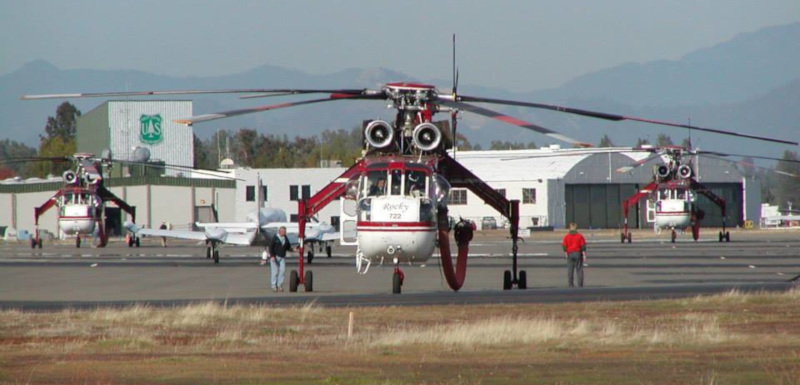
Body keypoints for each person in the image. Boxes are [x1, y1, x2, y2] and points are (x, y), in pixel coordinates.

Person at [561, 222, 587, 287]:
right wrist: (584, 253)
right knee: (579, 269)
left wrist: (565, 252)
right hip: (578, 253)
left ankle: (570, 284)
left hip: (570, 253)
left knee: (570, 269)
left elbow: (564, 246)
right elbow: (583, 246)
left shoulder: (566, 236)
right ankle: (580, 284)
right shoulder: (580, 236)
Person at [269, 226, 293, 291]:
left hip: (282, 256)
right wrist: (272, 256)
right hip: (275, 256)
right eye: (283, 231)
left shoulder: (285, 238)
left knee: (282, 270)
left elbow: (288, 247)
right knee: (275, 272)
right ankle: (274, 285)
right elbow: (271, 247)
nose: (284, 232)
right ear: (280, 231)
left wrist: (293, 249)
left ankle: (280, 285)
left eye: (285, 231)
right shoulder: (275, 238)